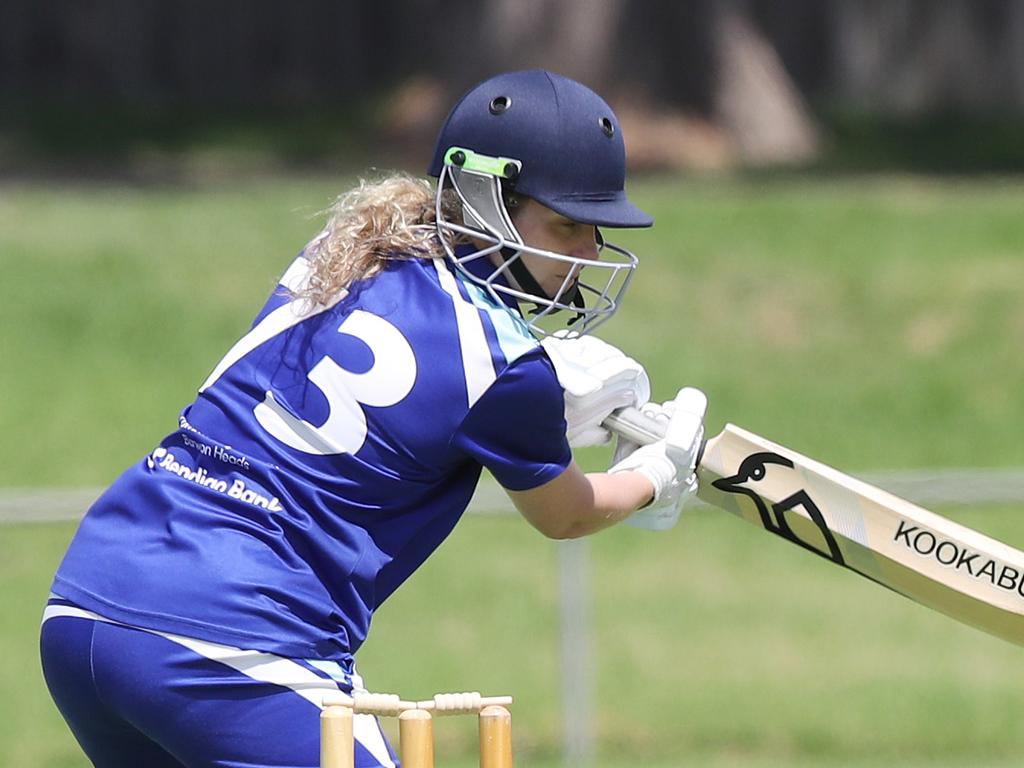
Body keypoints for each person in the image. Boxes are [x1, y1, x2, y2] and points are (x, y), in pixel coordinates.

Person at [39, 69, 706, 768]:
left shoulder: (347, 257)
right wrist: (655, 473)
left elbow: (399, 385)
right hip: (235, 641)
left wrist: (537, 404)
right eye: (566, 224)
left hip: (88, 608)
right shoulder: (506, 367)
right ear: (483, 203)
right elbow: (565, 513)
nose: (589, 251)